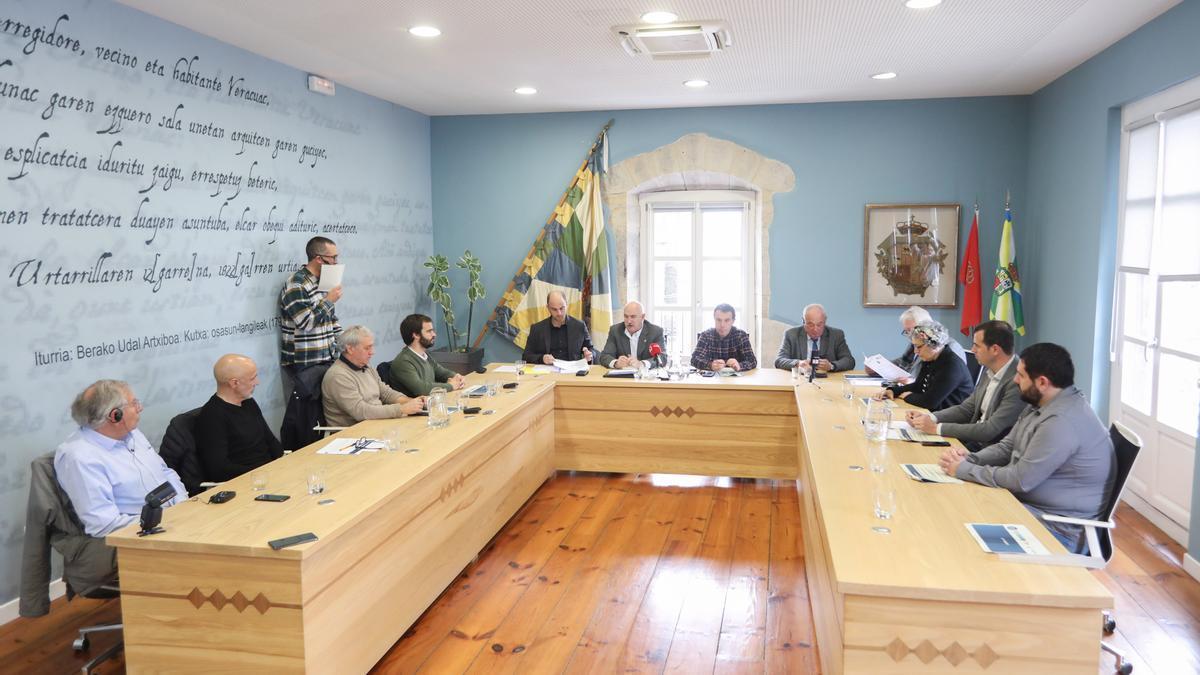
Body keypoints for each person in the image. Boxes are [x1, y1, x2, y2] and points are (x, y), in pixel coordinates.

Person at [939, 343, 1116, 552]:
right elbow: (1007, 447)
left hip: (1056, 529)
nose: (1014, 380)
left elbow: (1020, 480)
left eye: (1021, 376)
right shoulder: (1041, 403)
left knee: (955, 524)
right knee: (952, 507)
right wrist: (970, 459)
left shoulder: (1061, 422)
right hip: (1028, 508)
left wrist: (963, 470)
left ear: (1042, 382)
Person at [54, 380, 187, 538]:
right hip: (133, 537)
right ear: (115, 416)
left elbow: (165, 473)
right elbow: (104, 524)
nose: (140, 408)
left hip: (173, 521)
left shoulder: (131, 433)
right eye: (134, 404)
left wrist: (182, 507)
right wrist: (165, 521)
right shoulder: (79, 458)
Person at [906, 320, 1026, 451]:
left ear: (995, 349)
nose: (973, 350)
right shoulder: (990, 369)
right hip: (973, 442)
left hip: (991, 450)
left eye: (977, 346)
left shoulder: (1018, 380)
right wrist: (930, 418)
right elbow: (967, 409)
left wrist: (936, 428)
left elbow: (990, 430)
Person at [196, 354, 284, 482]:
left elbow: (270, 440)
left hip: (268, 472)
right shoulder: (212, 416)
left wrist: (283, 462)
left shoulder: (248, 402)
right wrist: (263, 472)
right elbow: (219, 469)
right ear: (234, 383)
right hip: (247, 481)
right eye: (252, 378)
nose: (257, 382)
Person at [322, 325, 426, 427]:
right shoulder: (338, 376)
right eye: (367, 348)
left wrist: (414, 402)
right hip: (353, 434)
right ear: (350, 349)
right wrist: (401, 409)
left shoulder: (366, 366)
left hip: (376, 424)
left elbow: (386, 394)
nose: (372, 352)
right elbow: (361, 412)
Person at [279, 236, 343, 380]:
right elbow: (306, 322)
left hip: (327, 357)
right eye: (333, 257)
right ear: (319, 259)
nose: (335, 262)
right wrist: (328, 301)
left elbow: (330, 319)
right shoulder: (296, 284)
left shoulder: (323, 281)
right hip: (305, 362)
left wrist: (346, 343)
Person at [877, 321, 973, 409]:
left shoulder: (952, 366)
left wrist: (907, 396)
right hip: (934, 413)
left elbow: (930, 402)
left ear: (934, 344)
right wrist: (894, 391)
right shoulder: (930, 359)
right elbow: (918, 386)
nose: (915, 351)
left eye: (918, 347)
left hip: (949, 419)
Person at [870, 305, 968, 383]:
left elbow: (942, 381)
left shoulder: (950, 348)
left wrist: (912, 382)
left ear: (926, 327)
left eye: (911, 330)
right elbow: (903, 363)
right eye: (906, 331)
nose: (909, 335)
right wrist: (878, 368)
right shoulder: (916, 342)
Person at [388, 313, 466, 396]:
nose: (434, 334)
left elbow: (442, 372)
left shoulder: (425, 355)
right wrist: (451, 386)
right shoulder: (403, 362)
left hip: (433, 403)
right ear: (416, 335)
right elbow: (421, 389)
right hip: (418, 407)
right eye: (429, 331)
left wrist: (457, 377)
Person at [774, 303, 854, 373]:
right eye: (810, 324)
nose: (815, 329)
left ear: (825, 321)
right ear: (803, 321)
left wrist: (831, 366)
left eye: (819, 324)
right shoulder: (791, 334)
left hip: (828, 380)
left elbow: (849, 361)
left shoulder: (836, 335)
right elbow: (779, 360)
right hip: (801, 379)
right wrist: (798, 363)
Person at [522, 290, 594, 366]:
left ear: (567, 305)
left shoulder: (579, 326)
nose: (559, 313)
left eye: (562, 308)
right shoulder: (537, 329)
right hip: (547, 373)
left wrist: (589, 354)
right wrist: (542, 358)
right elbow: (526, 356)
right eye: (554, 309)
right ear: (548, 308)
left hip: (572, 372)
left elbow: (591, 349)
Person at [690, 303, 757, 371]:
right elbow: (694, 359)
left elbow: (752, 361)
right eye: (718, 320)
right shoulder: (706, 335)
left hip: (736, 380)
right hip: (711, 380)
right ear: (714, 319)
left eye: (727, 320)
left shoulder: (741, 335)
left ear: (733, 321)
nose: (722, 325)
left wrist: (739, 365)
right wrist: (710, 365)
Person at [597, 301, 664, 369]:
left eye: (633, 317)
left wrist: (642, 364)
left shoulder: (655, 332)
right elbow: (605, 356)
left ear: (643, 317)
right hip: (622, 377)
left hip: (646, 377)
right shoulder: (615, 331)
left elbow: (662, 357)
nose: (629, 321)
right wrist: (616, 363)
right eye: (626, 316)